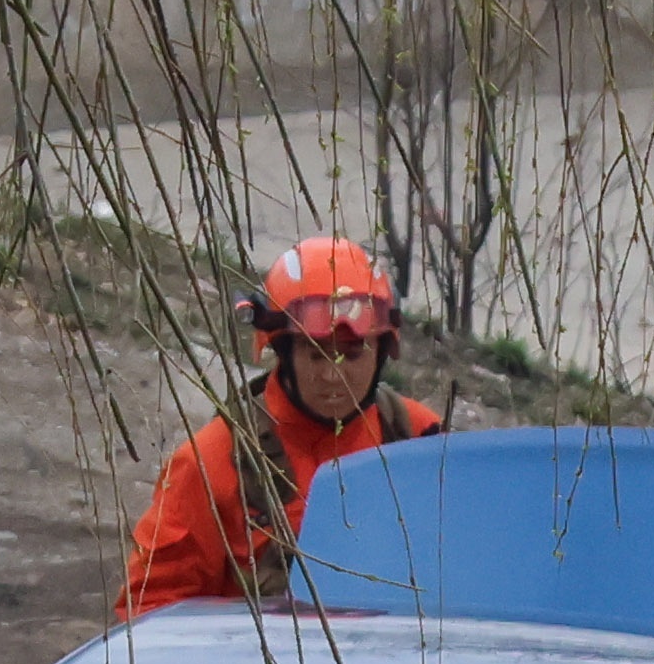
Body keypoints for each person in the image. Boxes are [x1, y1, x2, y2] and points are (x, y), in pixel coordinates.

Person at [121, 235, 448, 616]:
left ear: (382, 351)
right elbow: (150, 612)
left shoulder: (418, 438)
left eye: (353, 354)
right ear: (283, 351)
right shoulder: (212, 463)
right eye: (315, 354)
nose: (332, 376)